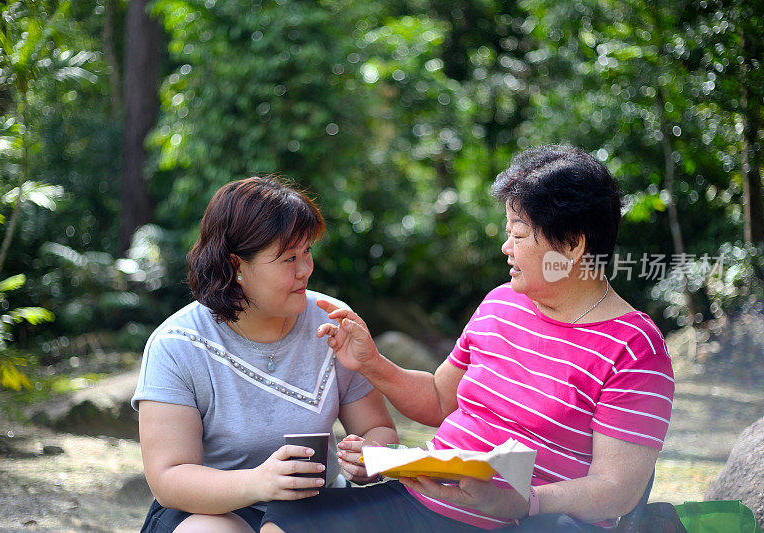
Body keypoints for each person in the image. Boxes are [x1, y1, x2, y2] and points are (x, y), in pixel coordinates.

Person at [260, 145, 675, 532]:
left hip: (533, 522)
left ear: (573, 245)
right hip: (425, 506)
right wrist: (371, 363)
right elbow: (441, 400)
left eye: (519, 234)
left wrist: (525, 502)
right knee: (287, 519)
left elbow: (618, 490)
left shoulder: (636, 347)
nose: (505, 247)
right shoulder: (500, 303)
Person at [131, 176, 398, 533]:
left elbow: (378, 429)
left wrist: (369, 457)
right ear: (236, 265)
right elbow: (169, 478)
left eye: (307, 251)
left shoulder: (332, 322)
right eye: (289, 258)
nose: (306, 269)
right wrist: (258, 482)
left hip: (314, 511)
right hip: (209, 511)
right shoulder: (177, 345)